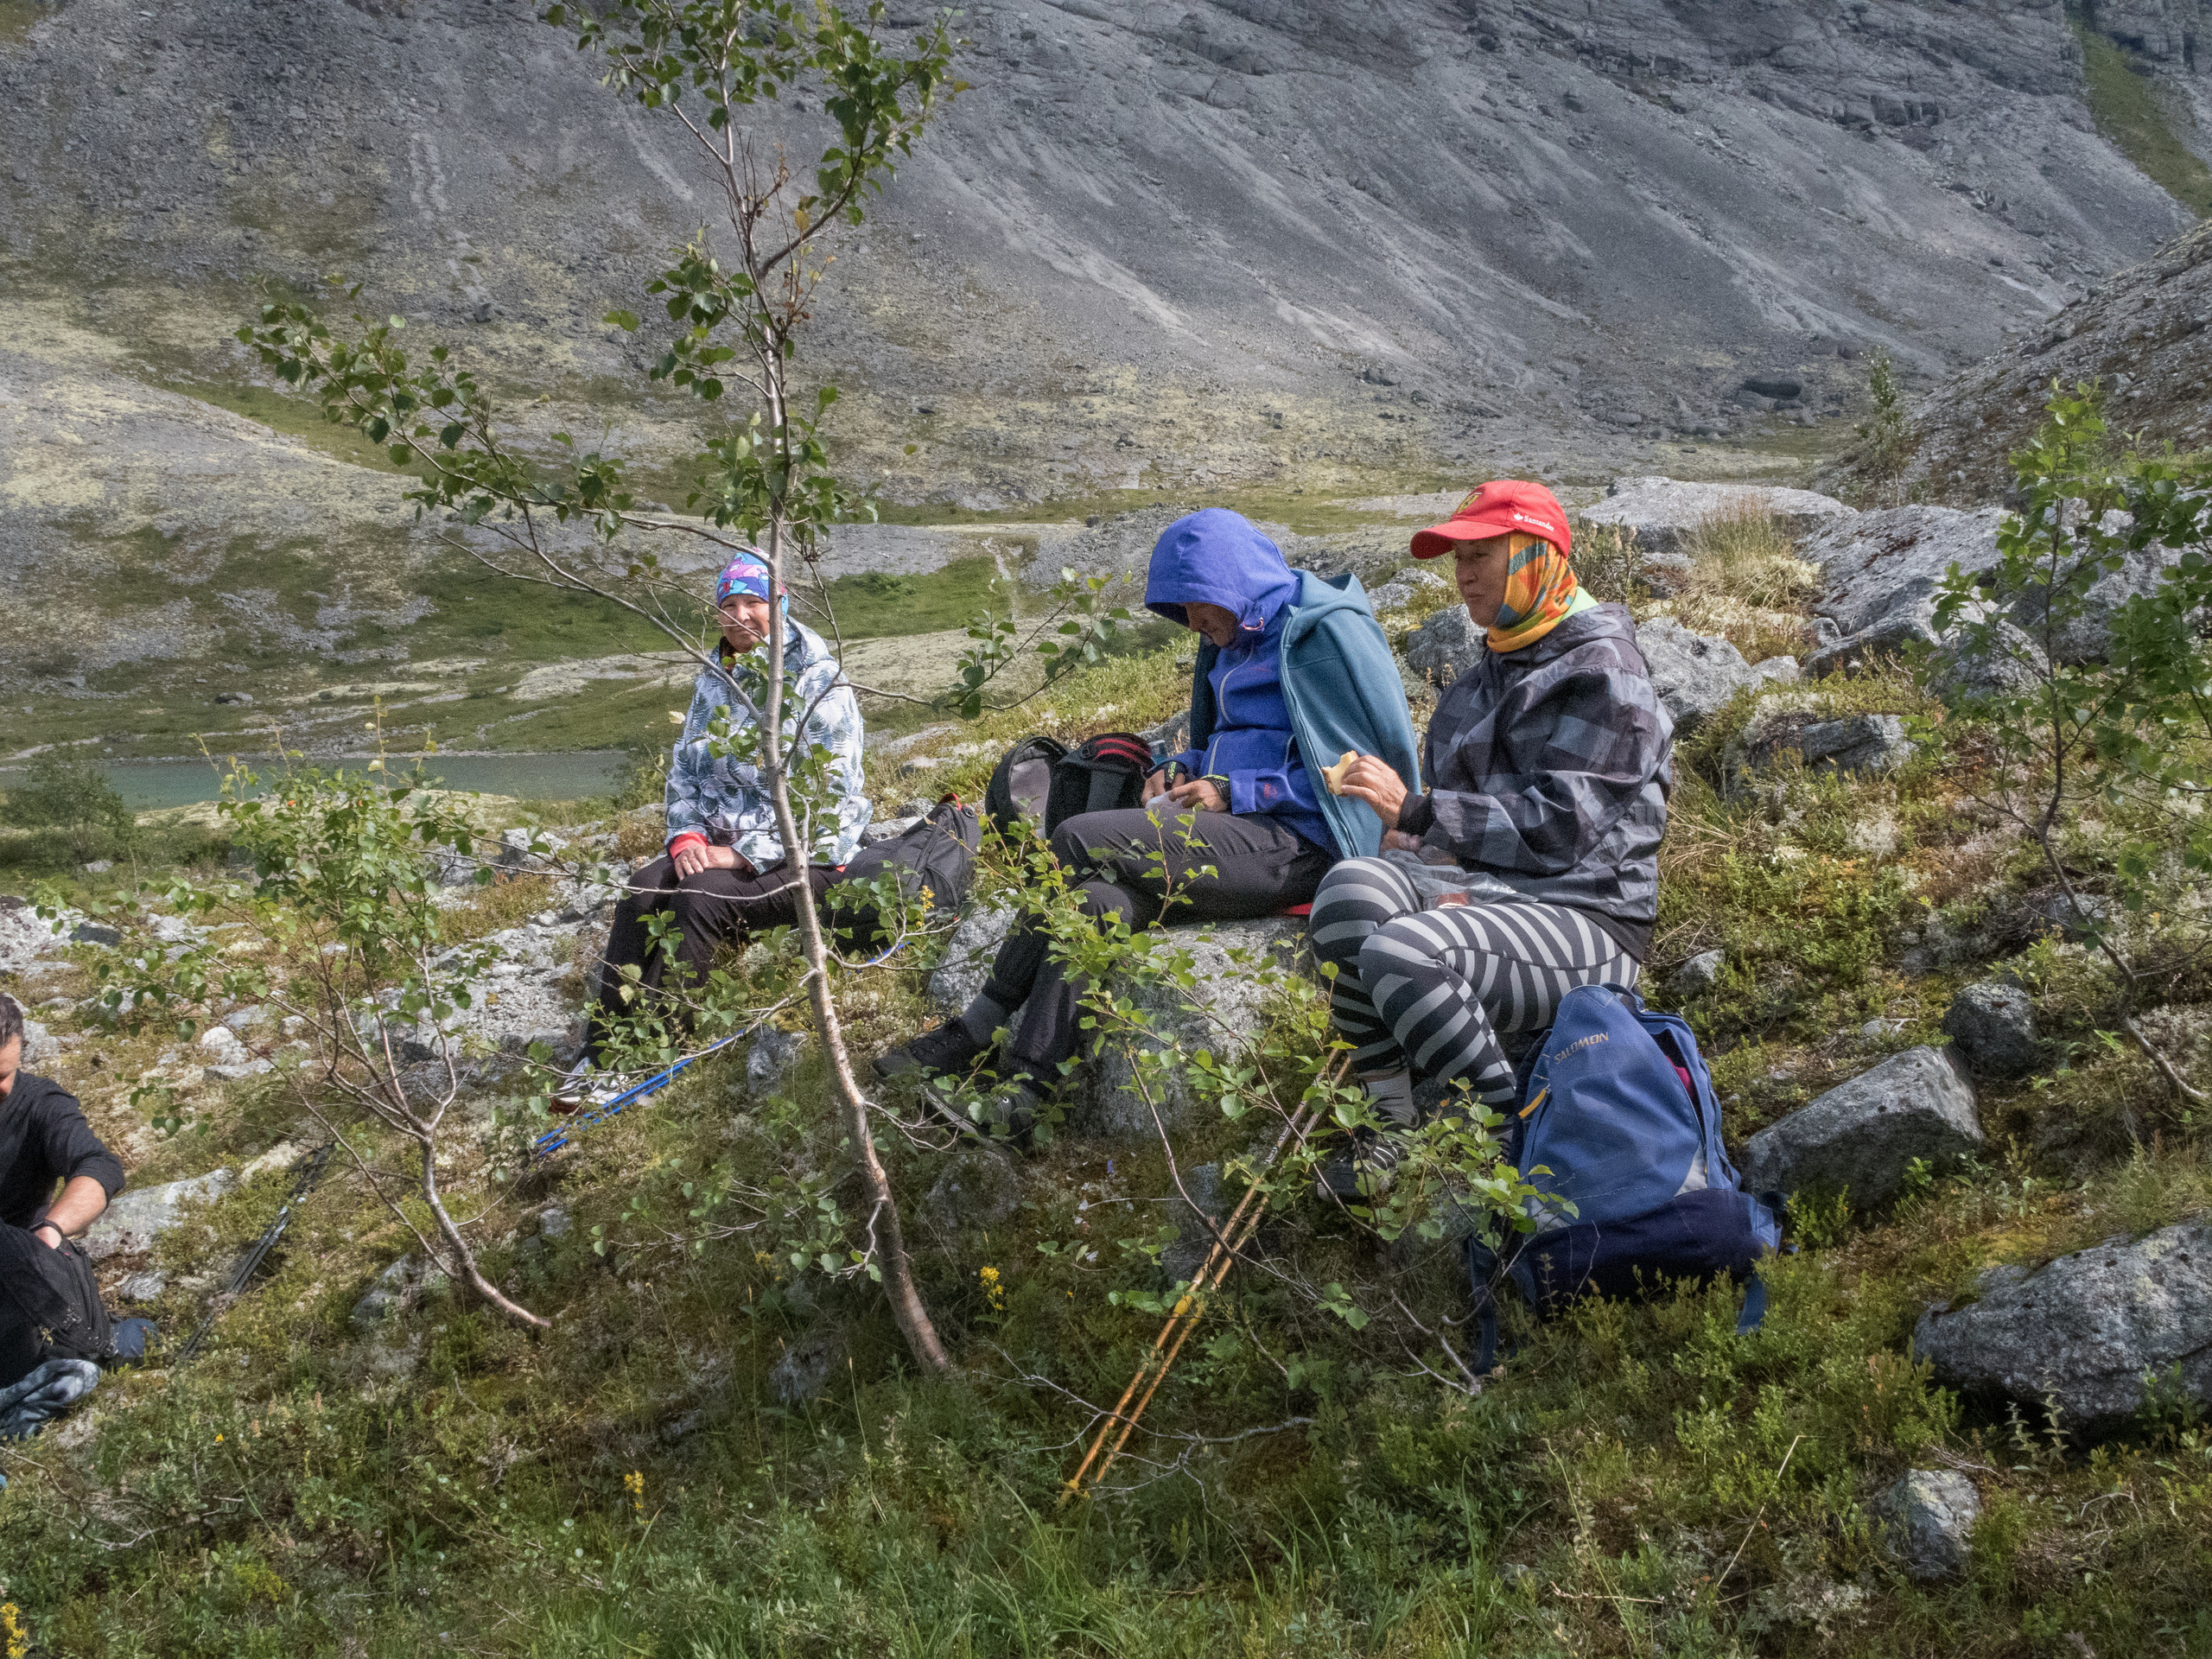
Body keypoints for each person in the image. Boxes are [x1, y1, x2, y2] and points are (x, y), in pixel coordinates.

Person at [877, 507, 1421, 1136]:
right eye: (1183, 609)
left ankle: (975, 1027)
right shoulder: (1231, 636)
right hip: (1243, 835)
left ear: (1230, 580)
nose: (1192, 622)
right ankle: (1023, 1096)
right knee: (1096, 902)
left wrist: (1234, 789)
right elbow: (1227, 739)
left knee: (1077, 837)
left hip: (1306, 843)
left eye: (1196, 604)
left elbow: (1362, 779)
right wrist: (1180, 763)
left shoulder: (1327, 634)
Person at [1308, 480, 1673, 1198]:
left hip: (1589, 917)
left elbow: (1562, 829)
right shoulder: (1478, 682)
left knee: (1400, 949)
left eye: (1482, 553)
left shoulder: (1606, 673)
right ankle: (1393, 1129)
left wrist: (1417, 813)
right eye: (1457, 556)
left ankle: (1505, 1130)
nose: (1464, 572)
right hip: (1490, 898)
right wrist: (1418, 850)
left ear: (1539, 556)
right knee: (1347, 892)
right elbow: (1456, 831)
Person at [559, 552, 870, 1104]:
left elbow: (829, 806)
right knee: (642, 890)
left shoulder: (820, 682)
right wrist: (686, 836)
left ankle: (661, 1053)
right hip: (720, 841)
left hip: (810, 857)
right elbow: (685, 771)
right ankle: (602, 1055)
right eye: (729, 605)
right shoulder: (715, 676)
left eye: (754, 602)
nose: (741, 616)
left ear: (779, 605)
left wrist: (743, 855)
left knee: (698, 899)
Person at [0, 991, 128, 1441]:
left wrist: (52, 1228)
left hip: (25, 1276)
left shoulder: (40, 1104)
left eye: (5, 1073)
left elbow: (98, 1167)